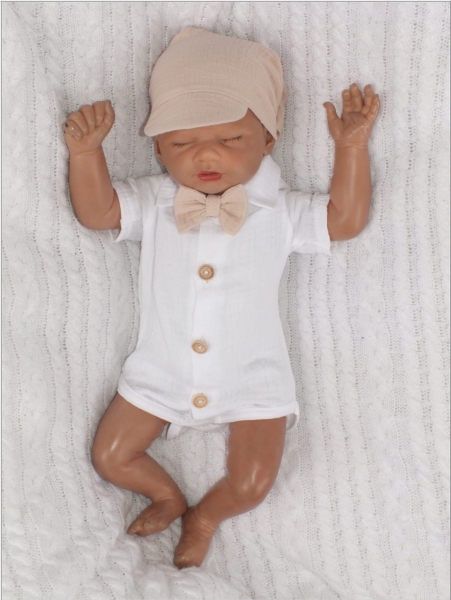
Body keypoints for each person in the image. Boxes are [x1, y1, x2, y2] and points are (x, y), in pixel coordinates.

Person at [63, 27, 379, 568]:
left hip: (254, 377)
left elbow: (344, 220)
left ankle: (206, 516)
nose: (206, 153)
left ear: (268, 140)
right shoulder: (155, 200)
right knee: (111, 455)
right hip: (160, 370)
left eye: (231, 139)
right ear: (157, 147)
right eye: (181, 143)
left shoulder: (281, 211)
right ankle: (166, 495)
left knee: (253, 482)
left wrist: (351, 148)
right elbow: (98, 213)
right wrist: (86, 154)